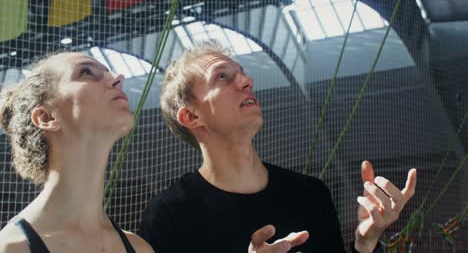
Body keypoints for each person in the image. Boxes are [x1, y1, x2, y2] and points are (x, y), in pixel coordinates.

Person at [138, 39, 417, 253]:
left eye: (242, 74)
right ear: (191, 116)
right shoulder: (169, 215)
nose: (247, 81)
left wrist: (365, 242)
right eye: (221, 77)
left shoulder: (311, 193)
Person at [0, 52, 153, 253]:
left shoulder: (139, 248)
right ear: (46, 117)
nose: (119, 78)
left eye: (109, 72)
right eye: (87, 72)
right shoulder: (13, 248)